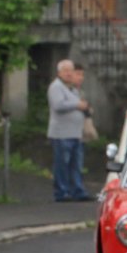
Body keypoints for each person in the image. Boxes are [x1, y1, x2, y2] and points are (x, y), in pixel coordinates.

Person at [46, 59, 91, 202]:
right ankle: (62, 192)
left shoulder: (73, 89)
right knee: (62, 164)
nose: (69, 73)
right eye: (65, 71)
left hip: (75, 133)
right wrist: (77, 104)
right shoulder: (56, 87)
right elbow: (58, 105)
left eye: (71, 70)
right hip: (61, 133)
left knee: (75, 165)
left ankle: (77, 190)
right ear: (59, 72)